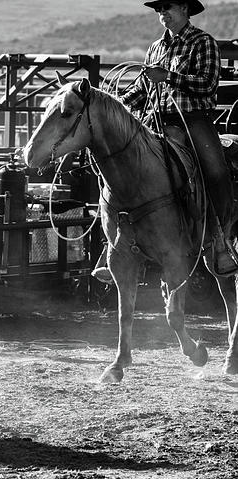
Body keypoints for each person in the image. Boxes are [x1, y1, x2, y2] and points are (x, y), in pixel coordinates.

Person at [94, 0, 236, 283]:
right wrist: (112, 107)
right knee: (119, 169)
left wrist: (168, 76)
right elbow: (141, 90)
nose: (162, 14)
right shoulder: (156, 47)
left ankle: (221, 241)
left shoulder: (202, 42)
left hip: (193, 119)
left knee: (216, 171)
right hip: (156, 120)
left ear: (185, 8)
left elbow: (207, 84)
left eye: (167, 7)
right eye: (158, 10)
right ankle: (114, 247)